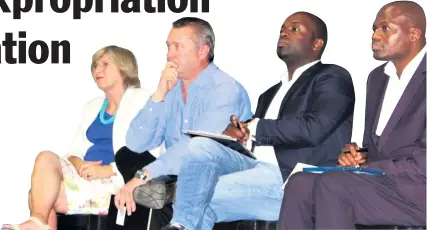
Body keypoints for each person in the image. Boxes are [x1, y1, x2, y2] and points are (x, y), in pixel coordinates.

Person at [137, 12, 355, 230]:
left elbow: (314, 128)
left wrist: (255, 127)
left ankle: (178, 192)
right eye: (282, 29)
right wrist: (241, 136)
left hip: (292, 179)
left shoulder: (332, 77)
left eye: (295, 29)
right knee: (201, 146)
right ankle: (182, 217)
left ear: (317, 44)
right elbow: (258, 137)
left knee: (200, 196)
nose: (284, 32)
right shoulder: (269, 94)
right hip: (253, 168)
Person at [279, 1, 426, 229]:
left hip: (418, 191)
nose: (375, 36)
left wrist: (365, 168)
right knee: (300, 183)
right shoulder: (377, 78)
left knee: (335, 184)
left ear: (414, 34)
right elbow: (378, 147)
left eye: (385, 28)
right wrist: (358, 156)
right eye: (374, 29)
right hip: (382, 183)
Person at [112, 17, 253, 229]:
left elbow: (198, 148)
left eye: (177, 47)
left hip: (214, 173)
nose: (169, 54)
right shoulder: (172, 88)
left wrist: (144, 175)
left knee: (192, 157)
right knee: (126, 154)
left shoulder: (224, 89)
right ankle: (169, 188)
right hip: (173, 174)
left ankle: (171, 189)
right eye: (168, 46)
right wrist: (158, 95)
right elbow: (136, 142)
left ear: (203, 51)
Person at [1, 45, 162, 230]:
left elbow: (152, 151)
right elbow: (74, 151)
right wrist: (81, 167)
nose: (97, 70)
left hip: (117, 180)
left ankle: (38, 222)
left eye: (105, 64)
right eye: (94, 65)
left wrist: (106, 170)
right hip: (85, 176)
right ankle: (38, 222)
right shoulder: (92, 107)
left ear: (124, 68)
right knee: (45, 157)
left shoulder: (142, 99)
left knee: (40, 196)